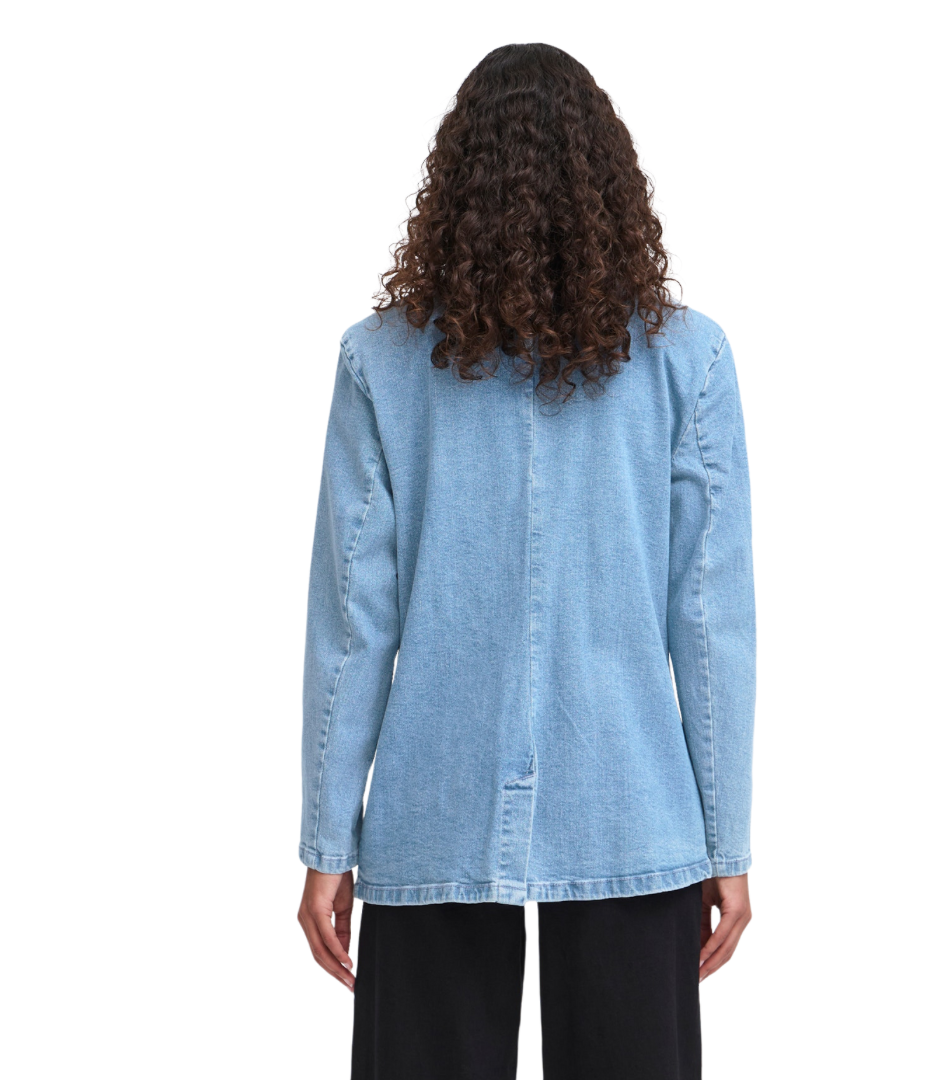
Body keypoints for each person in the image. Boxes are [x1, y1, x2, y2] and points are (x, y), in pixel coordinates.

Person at [296, 42, 755, 1080]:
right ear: (611, 185)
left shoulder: (384, 361)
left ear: (453, 187)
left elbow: (353, 623)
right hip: (634, 806)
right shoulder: (689, 360)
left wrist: (328, 840)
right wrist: (725, 841)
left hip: (433, 808)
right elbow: (709, 620)